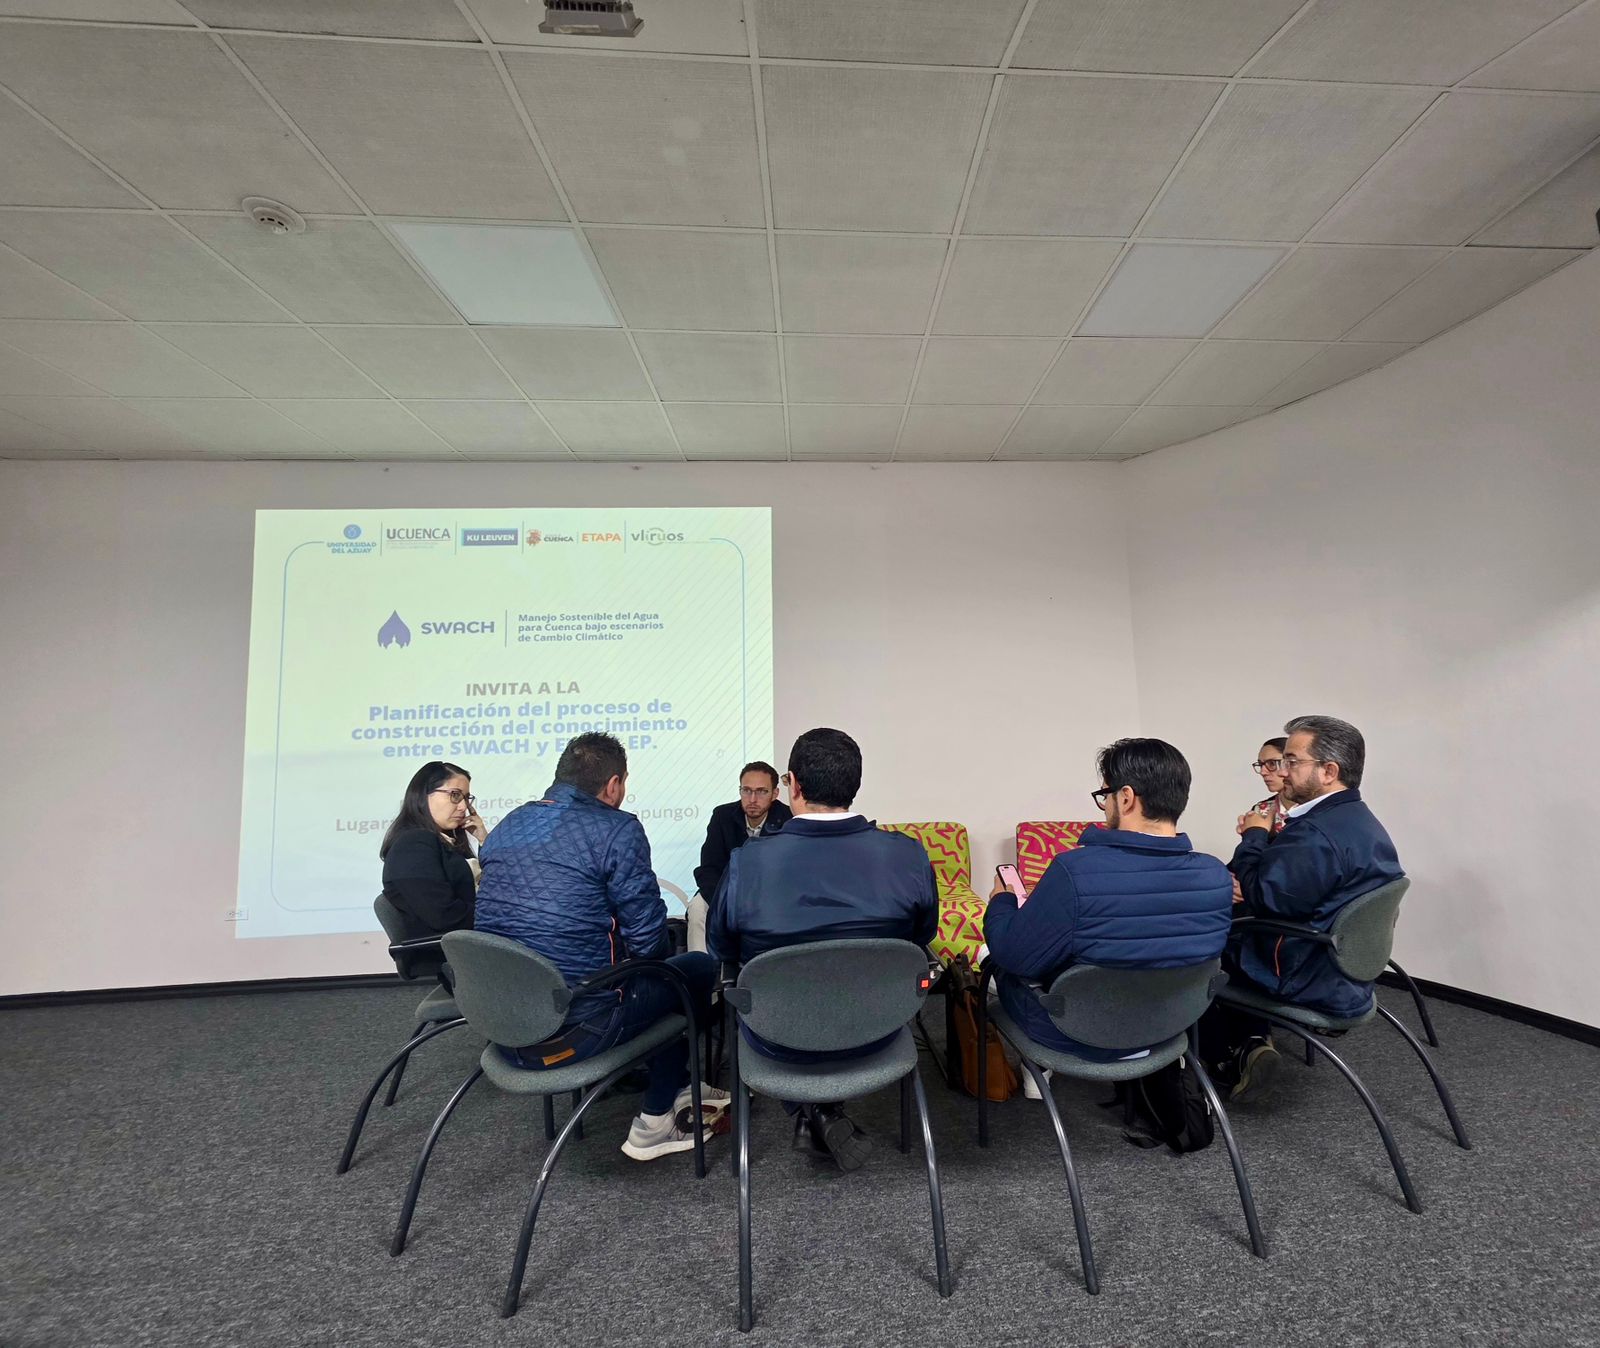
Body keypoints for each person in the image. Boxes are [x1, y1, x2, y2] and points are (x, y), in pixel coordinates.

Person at [474, 733, 726, 1162]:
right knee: (693, 971)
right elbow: (648, 943)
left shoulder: (508, 824)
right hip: (578, 1029)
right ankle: (656, 1118)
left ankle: (683, 1080)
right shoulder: (618, 829)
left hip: (504, 1024)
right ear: (613, 785)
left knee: (659, 979)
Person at [708, 727, 938, 1171]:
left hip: (779, 1036)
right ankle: (820, 1109)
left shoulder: (748, 862)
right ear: (855, 786)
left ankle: (811, 1108)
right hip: (879, 1029)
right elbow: (921, 935)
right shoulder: (908, 856)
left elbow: (722, 946)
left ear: (791, 784)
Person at [983, 739, 1233, 1098]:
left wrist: (1002, 900)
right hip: (1170, 1024)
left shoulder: (1076, 870)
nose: (1104, 806)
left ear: (1126, 797)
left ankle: (1034, 1069)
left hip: (1077, 1032)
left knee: (992, 965)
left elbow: (1013, 955)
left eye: (1105, 794)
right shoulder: (1215, 874)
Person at [1200, 714, 1403, 1102]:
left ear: (1329, 771)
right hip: (1343, 968)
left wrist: (1254, 835)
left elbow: (1262, 895)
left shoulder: (1315, 833)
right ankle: (1250, 1042)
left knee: (1193, 954)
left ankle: (1222, 1057)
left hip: (1308, 973)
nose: (1283, 770)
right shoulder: (1358, 819)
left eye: (1292, 761)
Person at [685, 761, 792, 953]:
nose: (752, 799)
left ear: (775, 794)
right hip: (727, 892)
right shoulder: (722, 815)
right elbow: (708, 868)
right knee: (697, 907)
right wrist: (727, 900)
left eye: (761, 791)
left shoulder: (788, 819)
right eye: (746, 790)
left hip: (769, 895)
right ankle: (701, 973)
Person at [379, 760, 485, 942]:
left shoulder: (445, 842)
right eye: (455, 795)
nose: (463, 807)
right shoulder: (413, 845)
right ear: (423, 795)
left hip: (468, 947)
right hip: (447, 957)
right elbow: (444, 916)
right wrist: (502, 918)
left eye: (466, 798)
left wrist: (484, 839)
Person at [1247, 736, 1291, 837]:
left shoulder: (1319, 808)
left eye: (1272, 763)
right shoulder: (1261, 811)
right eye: (1260, 764)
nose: (1263, 772)